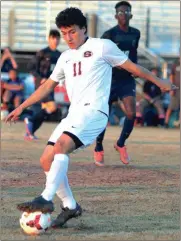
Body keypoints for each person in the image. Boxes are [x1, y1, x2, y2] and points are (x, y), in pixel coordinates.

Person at [5, 7, 177, 228]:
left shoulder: (102, 47)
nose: (68, 37)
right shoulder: (65, 57)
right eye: (64, 33)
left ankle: (46, 198)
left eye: (72, 32)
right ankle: (70, 206)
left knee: (61, 146)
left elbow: (133, 67)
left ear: (84, 29)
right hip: (74, 114)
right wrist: (22, 106)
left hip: (95, 112)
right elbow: (48, 86)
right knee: (46, 159)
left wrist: (159, 82)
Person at [94, 1, 141, 166]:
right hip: (110, 79)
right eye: (120, 12)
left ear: (131, 15)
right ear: (115, 16)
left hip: (127, 80)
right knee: (103, 116)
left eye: (126, 12)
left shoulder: (136, 33)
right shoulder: (109, 35)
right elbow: (99, 56)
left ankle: (120, 144)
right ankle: (98, 147)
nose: (124, 15)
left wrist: (134, 69)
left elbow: (133, 54)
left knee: (131, 114)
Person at [24, 29, 61, 140]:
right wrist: (40, 78)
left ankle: (30, 131)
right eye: (53, 38)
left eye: (57, 38)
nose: (55, 40)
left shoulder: (59, 54)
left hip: (52, 85)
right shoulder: (43, 52)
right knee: (52, 107)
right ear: (49, 39)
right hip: (42, 85)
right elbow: (30, 67)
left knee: (44, 112)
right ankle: (30, 121)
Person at [164, 57, 180, 128]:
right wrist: (172, 88)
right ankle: (166, 123)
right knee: (171, 106)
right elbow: (171, 76)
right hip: (176, 89)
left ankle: (179, 123)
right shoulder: (176, 63)